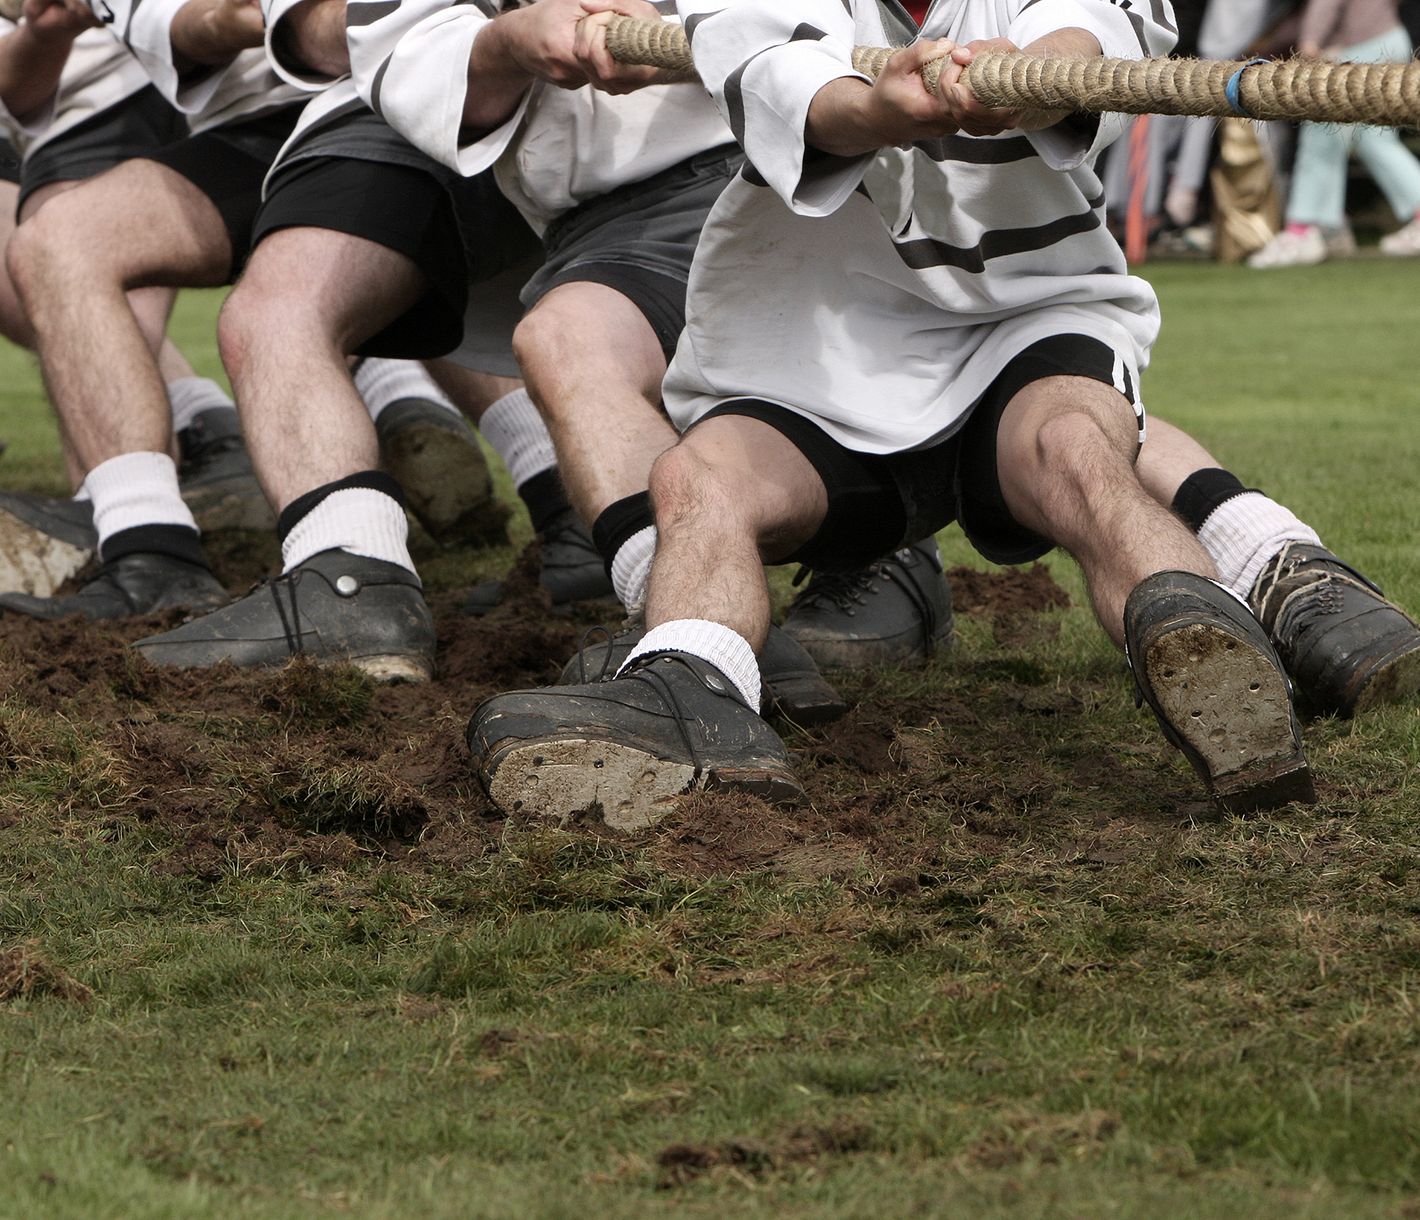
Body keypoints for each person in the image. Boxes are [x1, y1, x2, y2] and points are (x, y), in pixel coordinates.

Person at [465, 0, 1333, 824]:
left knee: (1079, 451)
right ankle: (690, 693)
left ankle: (1213, 653)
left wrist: (1032, 72)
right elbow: (784, 77)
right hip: (822, 347)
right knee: (696, 481)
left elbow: (1093, 25)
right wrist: (884, 107)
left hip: (1022, 315)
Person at [1249, 0, 1420, 267]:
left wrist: (1310, 44)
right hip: (1382, 39)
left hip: (1362, 48)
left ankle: (1303, 230)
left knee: (1320, 135)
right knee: (1373, 140)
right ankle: (1324, 229)